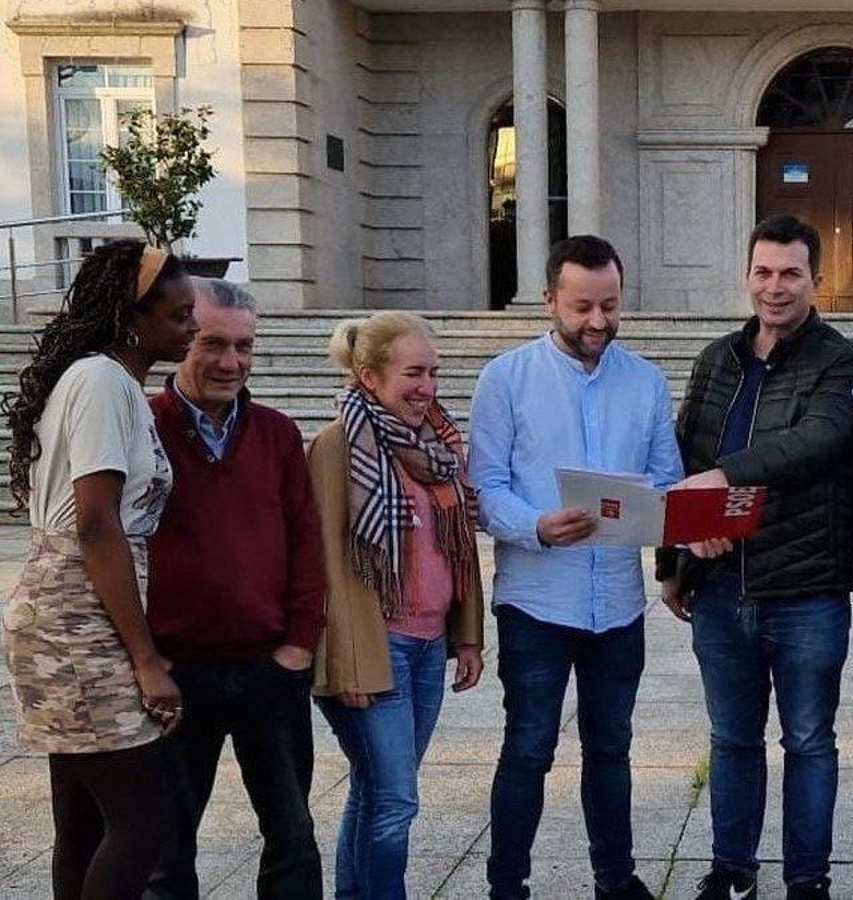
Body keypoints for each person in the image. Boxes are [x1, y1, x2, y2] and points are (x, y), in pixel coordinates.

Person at [661, 214, 853, 900]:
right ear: (747, 276)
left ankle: (808, 880)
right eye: (763, 272)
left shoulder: (840, 361)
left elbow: (819, 440)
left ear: (816, 280)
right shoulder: (715, 358)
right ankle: (733, 872)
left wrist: (725, 478)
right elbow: (682, 455)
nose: (774, 287)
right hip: (721, 590)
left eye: (790, 274)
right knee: (732, 741)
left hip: (805, 588)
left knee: (809, 742)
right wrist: (675, 559)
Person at [471, 236, 682, 900]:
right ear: (549, 301)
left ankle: (615, 880)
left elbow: (667, 480)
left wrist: (661, 514)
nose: (598, 322)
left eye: (610, 306)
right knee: (529, 748)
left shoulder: (644, 381)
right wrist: (535, 525)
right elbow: (486, 487)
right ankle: (508, 885)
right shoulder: (505, 379)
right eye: (582, 307)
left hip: (617, 602)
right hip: (537, 597)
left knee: (612, 751)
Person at [1, 239, 195, 898]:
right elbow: (96, 523)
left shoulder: (100, 379)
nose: (191, 327)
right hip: (77, 620)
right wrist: (144, 658)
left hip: (70, 608)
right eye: (177, 315)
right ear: (131, 318)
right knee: (144, 821)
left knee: (83, 824)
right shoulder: (103, 380)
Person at [143, 278, 325, 899]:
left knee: (293, 839)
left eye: (244, 347)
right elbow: (114, 544)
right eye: (212, 343)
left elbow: (307, 542)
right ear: (185, 339)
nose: (230, 362)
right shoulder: (144, 425)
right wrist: (148, 658)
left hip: (267, 670)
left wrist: (299, 646)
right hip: (175, 676)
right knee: (165, 851)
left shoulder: (276, 434)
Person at [308, 312, 486, 899]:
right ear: (368, 376)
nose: (427, 387)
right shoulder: (339, 445)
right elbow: (328, 562)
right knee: (396, 799)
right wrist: (344, 662)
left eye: (433, 372)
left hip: (428, 646)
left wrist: (465, 636)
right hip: (376, 648)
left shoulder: (437, 444)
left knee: (376, 790)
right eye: (413, 373)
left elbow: (454, 545)